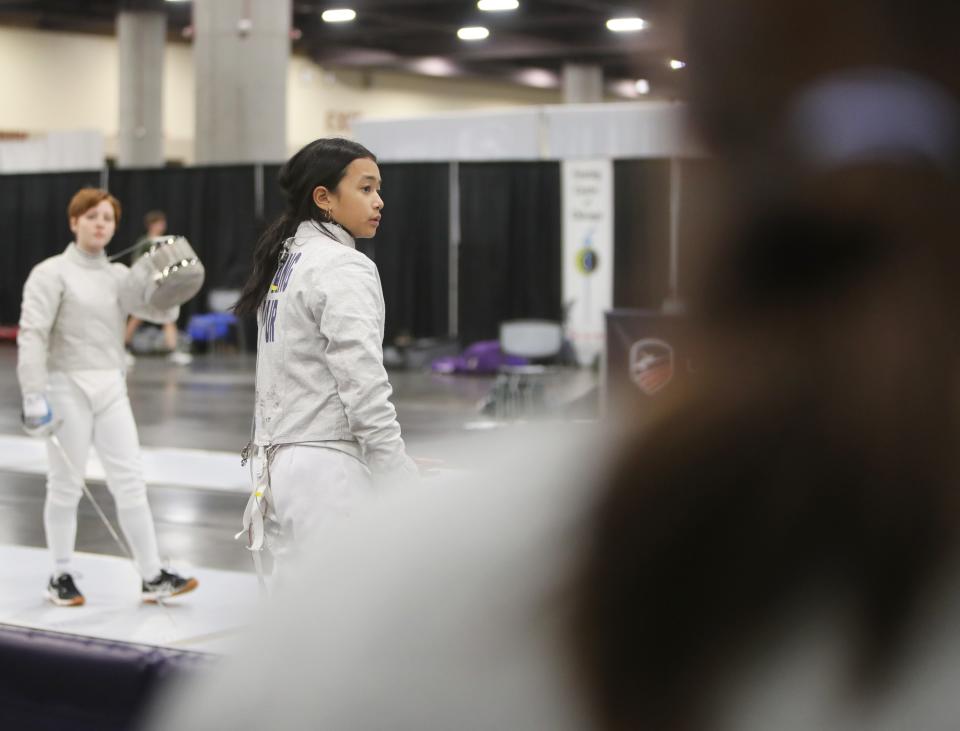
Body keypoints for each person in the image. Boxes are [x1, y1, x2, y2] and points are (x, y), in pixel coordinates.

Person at [233, 137, 417, 566]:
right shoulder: (342, 265)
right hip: (326, 474)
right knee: (346, 621)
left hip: (279, 469)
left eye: (378, 188)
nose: (379, 201)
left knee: (298, 615)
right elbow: (362, 383)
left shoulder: (288, 259)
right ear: (324, 198)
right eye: (366, 188)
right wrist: (393, 467)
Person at [17, 188, 198, 607]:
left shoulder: (119, 276)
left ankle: (152, 575)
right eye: (92, 216)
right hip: (66, 386)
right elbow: (33, 335)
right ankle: (60, 573)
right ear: (74, 221)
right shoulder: (51, 273)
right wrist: (33, 393)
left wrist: (172, 284)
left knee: (130, 481)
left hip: (111, 386)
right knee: (65, 485)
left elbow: (158, 311)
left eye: (108, 218)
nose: (100, 224)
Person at [124, 210, 193, 365]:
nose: (162, 226)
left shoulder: (167, 241)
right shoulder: (145, 242)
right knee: (137, 316)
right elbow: (136, 263)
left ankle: (173, 350)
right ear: (151, 225)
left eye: (163, 223)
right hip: (146, 287)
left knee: (168, 317)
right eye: (159, 223)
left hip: (162, 287)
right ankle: (123, 348)